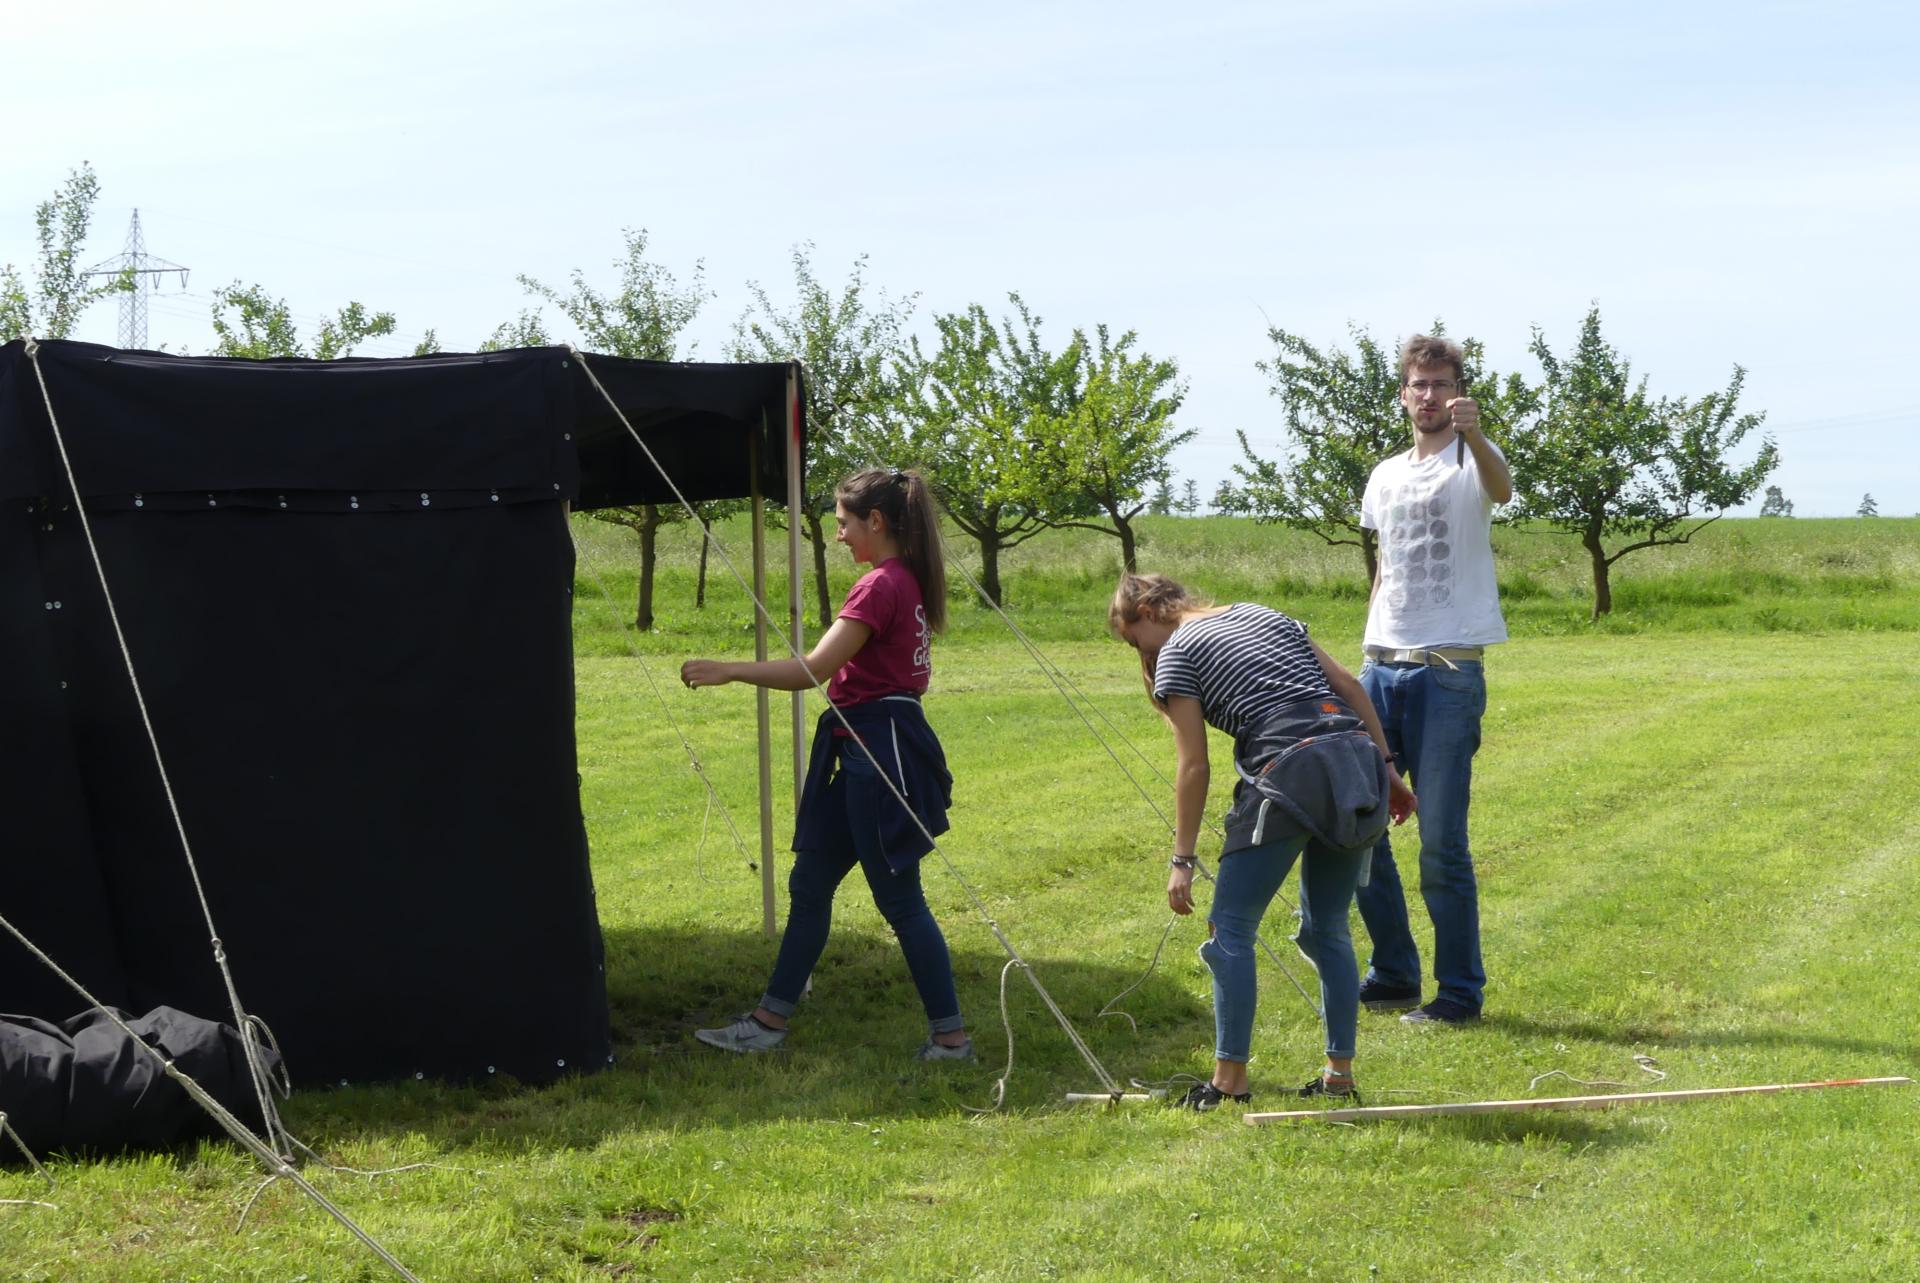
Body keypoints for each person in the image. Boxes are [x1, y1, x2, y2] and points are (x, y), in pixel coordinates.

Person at [682, 468, 973, 1062]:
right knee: (810, 884)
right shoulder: (905, 579)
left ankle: (951, 1039)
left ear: (876, 521)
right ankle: (768, 1023)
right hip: (868, 749)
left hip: (877, 756)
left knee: (901, 901)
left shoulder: (880, 585)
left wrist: (729, 669)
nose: (838, 535)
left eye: (843, 523)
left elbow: (812, 670)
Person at [1109, 573, 1415, 1110]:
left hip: (1287, 768)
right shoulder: (1260, 611)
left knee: (1230, 928)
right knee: (1329, 927)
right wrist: (1387, 769)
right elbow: (1349, 685)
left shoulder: (1177, 650)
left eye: (1135, 640)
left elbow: (1194, 764)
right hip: (1354, 758)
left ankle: (1229, 1084)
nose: (1143, 654)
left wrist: (1182, 858)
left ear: (1149, 611)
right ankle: (1338, 1076)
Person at [1351, 333, 1515, 1026]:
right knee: (1358, 828)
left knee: (1441, 843)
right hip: (1381, 668)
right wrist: (1366, 653)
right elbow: (1385, 567)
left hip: (1448, 673)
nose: (1429, 395)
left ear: (1459, 394)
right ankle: (1393, 974)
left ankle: (1458, 994)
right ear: (1403, 395)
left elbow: (1502, 489)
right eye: (1419, 384)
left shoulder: (1473, 461)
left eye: (1441, 384)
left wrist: (1477, 436)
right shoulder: (1385, 475)